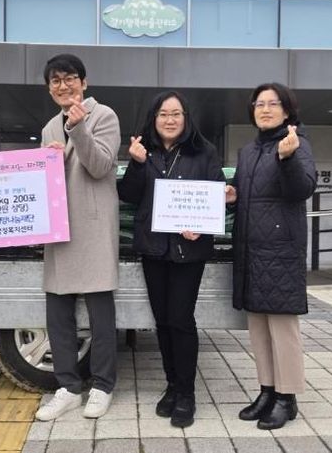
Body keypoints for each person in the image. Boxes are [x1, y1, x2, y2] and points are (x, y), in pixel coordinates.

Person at [117, 90, 225, 428]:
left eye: (176, 113)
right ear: (153, 118)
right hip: (153, 248)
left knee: (181, 320)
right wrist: (136, 163)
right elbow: (129, 195)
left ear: (186, 118)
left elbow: (217, 193)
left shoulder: (204, 151)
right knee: (162, 321)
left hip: (189, 251)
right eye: (163, 114)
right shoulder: (143, 151)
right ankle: (172, 385)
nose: (169, 120)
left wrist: (201, 225)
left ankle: (187, 393)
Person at [35, 54, 120, 421]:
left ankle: (102, 386)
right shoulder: (48, 127)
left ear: (84, 82)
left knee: (101, 315)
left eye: (70, 78)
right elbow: (44, 181)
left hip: (93, 226)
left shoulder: (104, 116)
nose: (63, 85)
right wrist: (47, 162)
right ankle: (68, 387)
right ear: (49, 88)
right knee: (58, 312)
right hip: (59, 227)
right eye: (55, 80)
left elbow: (100, 166)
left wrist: (78, 128)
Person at [228, 82, 316, 430]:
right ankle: (267, 391)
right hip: (251, 250)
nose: (264, 109)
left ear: (287, 110)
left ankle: (287, 397)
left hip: (280, 253)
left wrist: (288, 158)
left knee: (282, 328)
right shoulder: (248, 151)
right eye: (259, 104)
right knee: (259, 328)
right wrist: (232, 195)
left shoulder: (296, 144)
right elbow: (245, 194)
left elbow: (302, 188)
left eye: (272, 103)